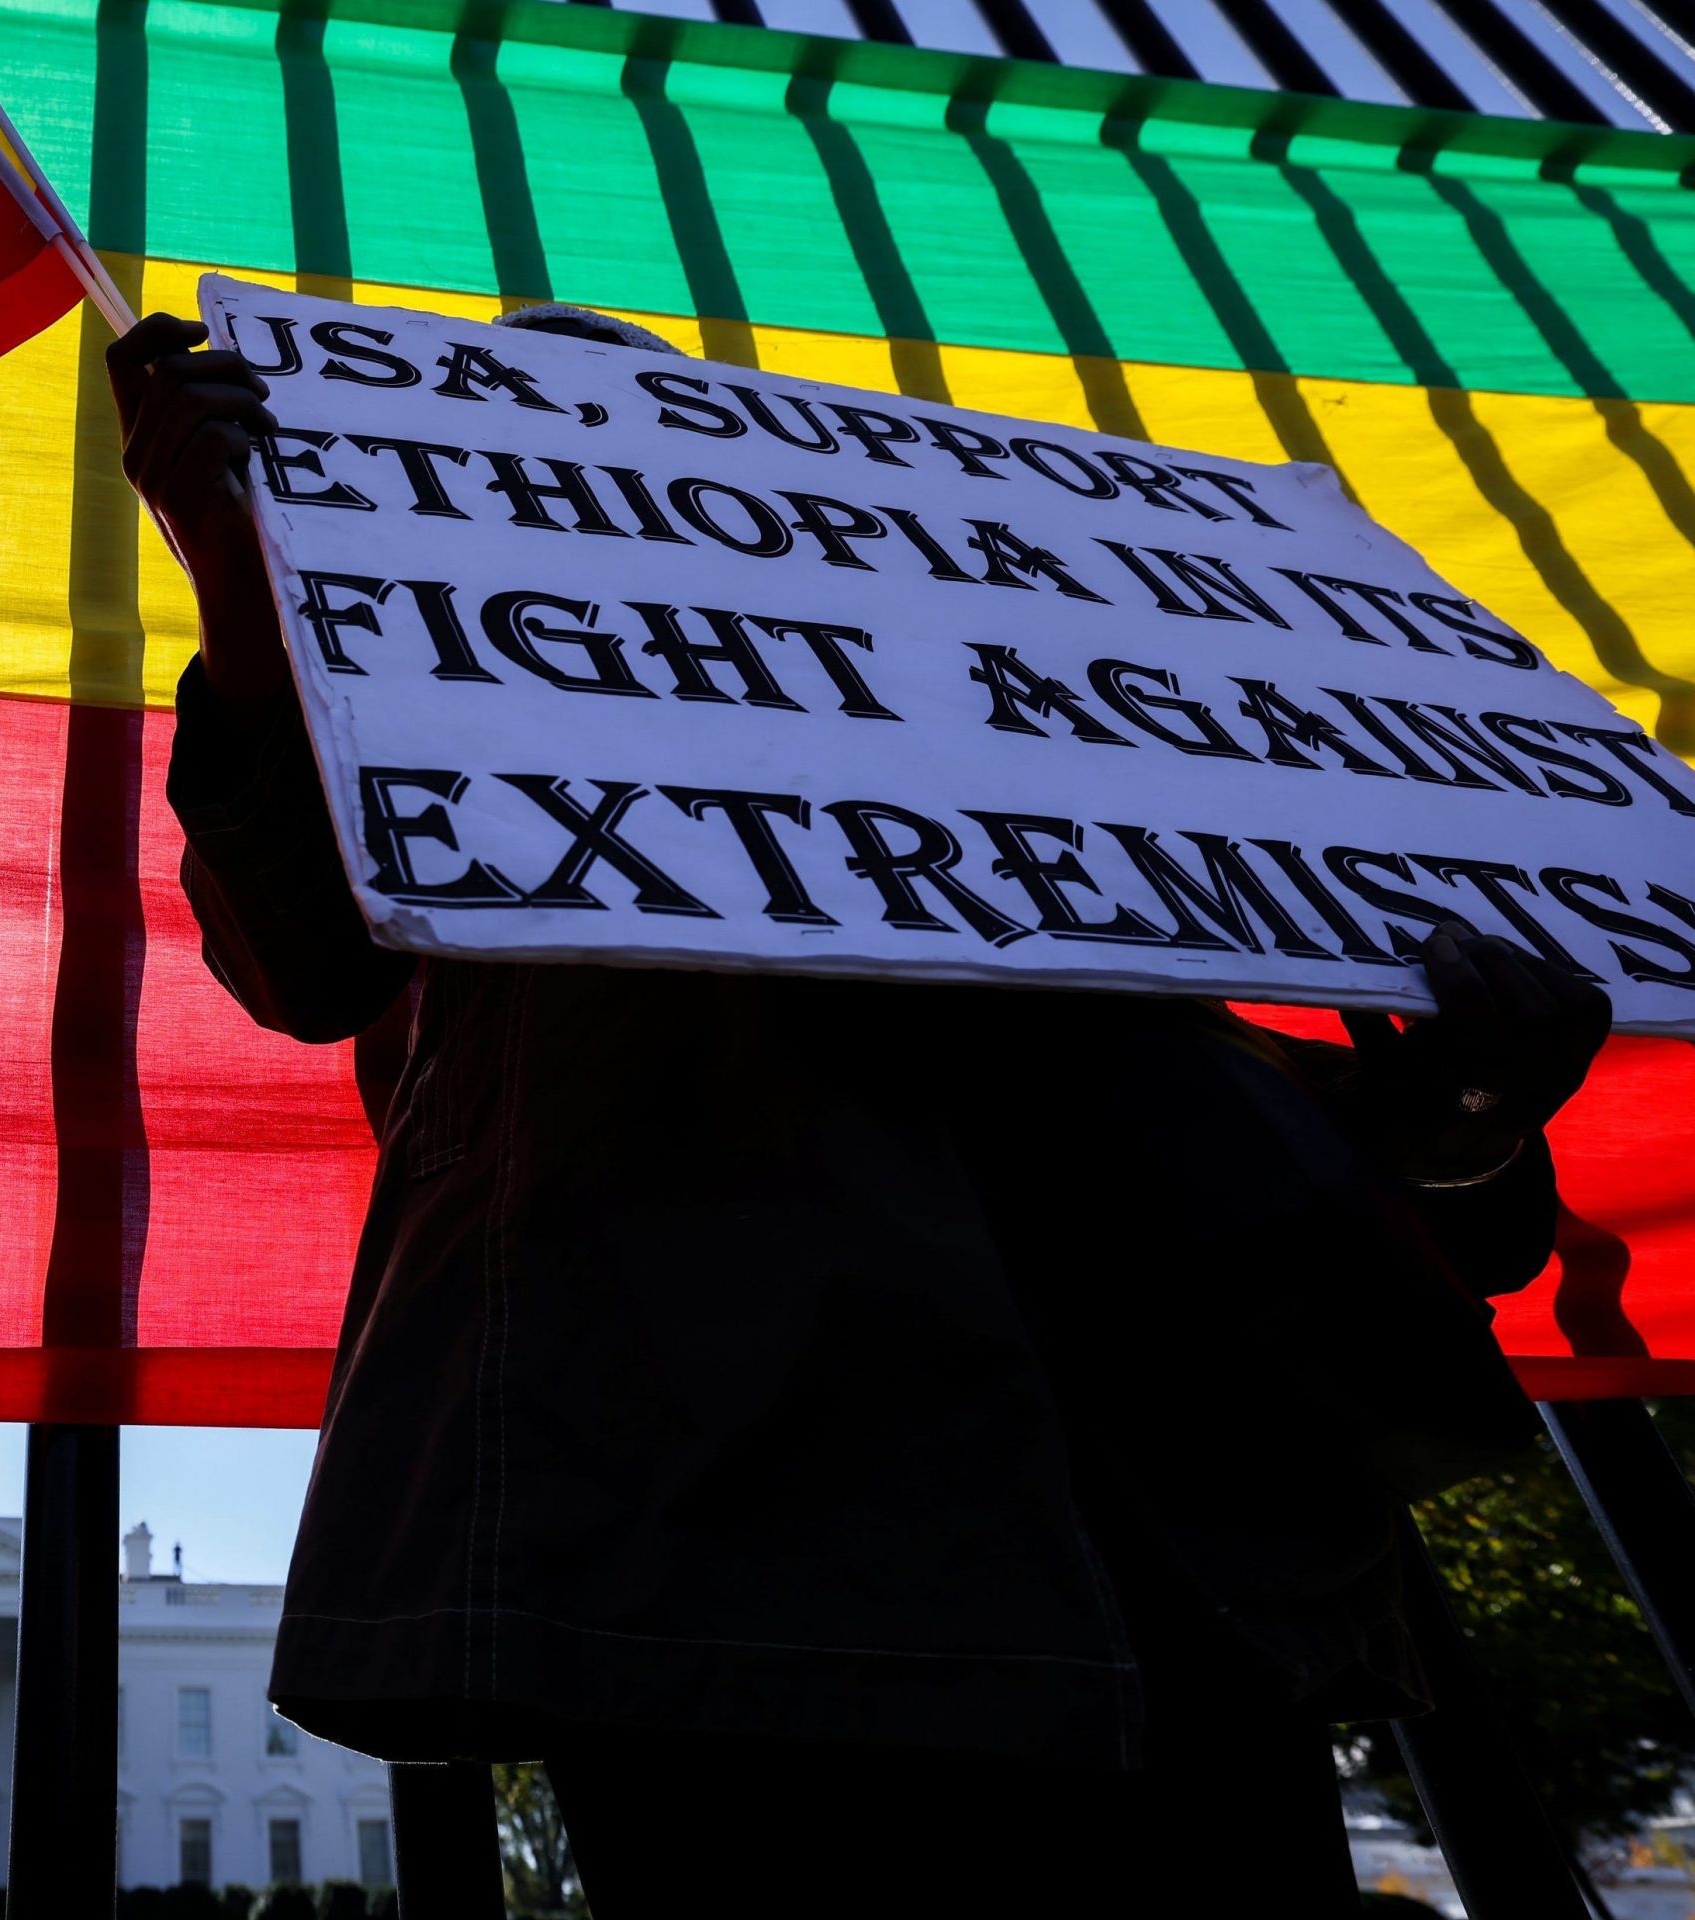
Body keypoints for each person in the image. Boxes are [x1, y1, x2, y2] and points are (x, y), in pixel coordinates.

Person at [105, 304, 1613, 1916]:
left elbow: (1249, 1114)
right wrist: (254, 602)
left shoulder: (1017, 746)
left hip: (1175, 1573)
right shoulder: (450, 757)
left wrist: (1458, 1137)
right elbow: (306, 959)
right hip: (723, 1578)